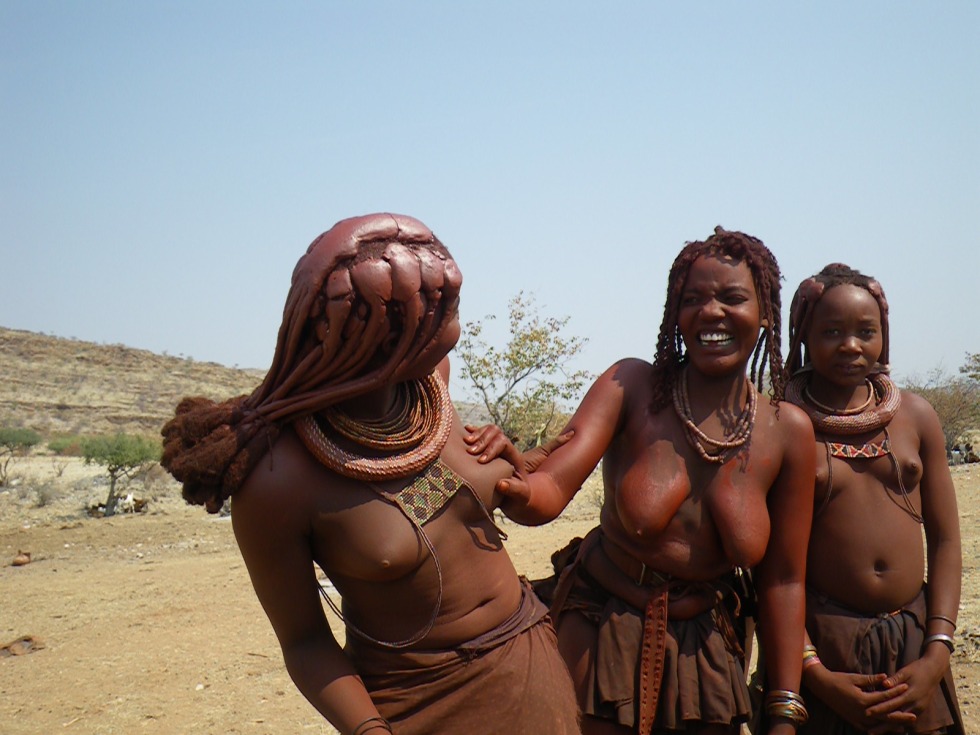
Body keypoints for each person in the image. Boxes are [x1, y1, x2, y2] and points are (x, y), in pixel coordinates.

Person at [160, 213, 580, 735]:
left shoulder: (433, 390)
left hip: (529, 670)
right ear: (374, 336)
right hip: (419, 706)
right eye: (428, 315)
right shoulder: (277, 479)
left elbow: (485, 490)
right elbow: (305, 641)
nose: (448, 325)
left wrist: (509, 454)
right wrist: (367, 730)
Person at [493, 227, 816, 734]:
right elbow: (551, 489)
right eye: (693, 300)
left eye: (732, 298)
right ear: (675, 312)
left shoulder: (787, 432)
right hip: (603, 630)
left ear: (766, 313)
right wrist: (510, 488)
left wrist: (783, 709)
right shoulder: (633, 386)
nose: (711, 313)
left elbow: (784, 580)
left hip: (709, 649)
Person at [782, 263, 963, 734]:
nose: (850, 345)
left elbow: (945, 540)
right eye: (832, 331)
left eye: (867, 331)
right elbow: (774, 572)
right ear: (803, 335)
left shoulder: (917, 417)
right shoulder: (781, 425)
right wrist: (814, 673)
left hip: (915, 642)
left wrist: (937, 650)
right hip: (825, 649)